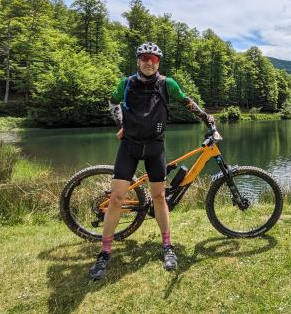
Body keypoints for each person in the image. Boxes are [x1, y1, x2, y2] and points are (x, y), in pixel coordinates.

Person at [89, 42, 215, 280]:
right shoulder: (126, 83)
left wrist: (207, 118)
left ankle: (167, 247)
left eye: (154, 59)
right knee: (116, 198)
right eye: (145, 58)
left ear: (158, 62)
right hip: (130, 146)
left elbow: (187, 101)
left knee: (159, 197)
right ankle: (105, 252)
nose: (149, 62)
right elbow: (113, 101)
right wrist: (121, 125)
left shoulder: (167, 84)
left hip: (156, 146)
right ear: (138, 60)